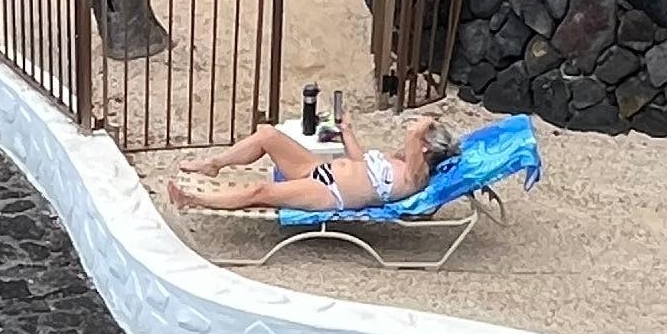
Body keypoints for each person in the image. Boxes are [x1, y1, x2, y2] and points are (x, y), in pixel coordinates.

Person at [170, 109, 459, 218]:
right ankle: (213, 164)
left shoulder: (416, 175)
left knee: (262, 192)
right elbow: (359, 162)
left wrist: (428, 122)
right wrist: (347, 131)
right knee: (268, 134)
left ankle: (193, 200)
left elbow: (412, 132)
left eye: (419, 137)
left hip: (330, 193)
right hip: (317, 169)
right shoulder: (395, 161)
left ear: (423, 146)